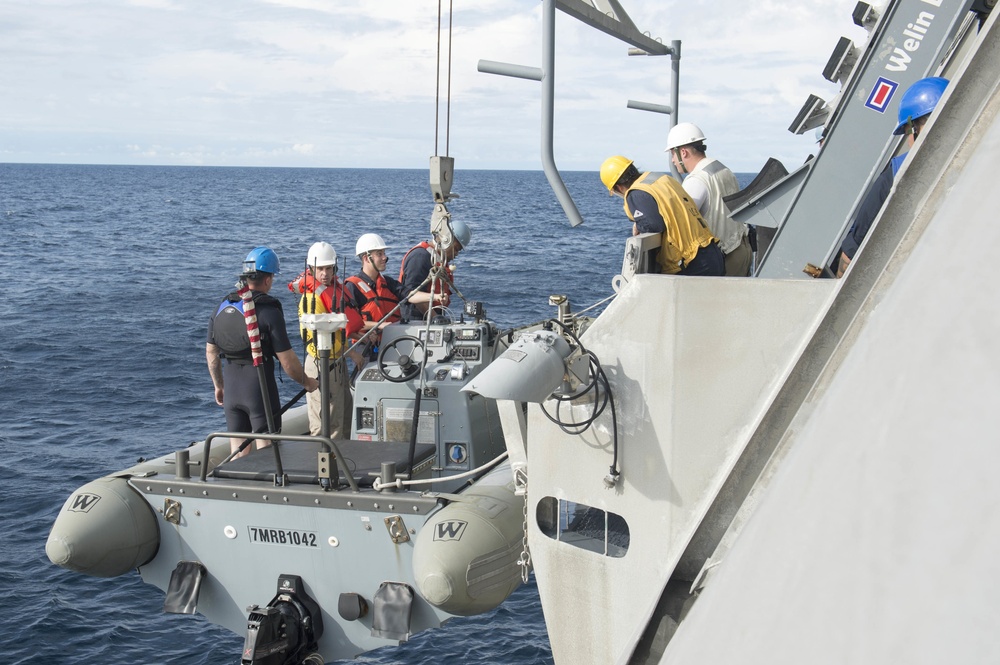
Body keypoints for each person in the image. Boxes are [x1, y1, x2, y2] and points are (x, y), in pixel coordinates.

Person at [206, 246, 318, 457]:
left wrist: (219, 386)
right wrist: (308, 383)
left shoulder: (222, 306)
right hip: (259, 391)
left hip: (231, 389)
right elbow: (288, 362)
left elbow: (211, 353)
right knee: (267, 450)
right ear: (268, 279)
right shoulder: (269, 311)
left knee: (238, 451)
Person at [835, 76, 948, 277]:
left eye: (907, 132)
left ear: (916, 128)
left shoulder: (896, 174)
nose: (908, 140)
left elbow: (851, 253)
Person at [599, 155, 725, 276]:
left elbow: (654, 225)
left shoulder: (636, 193)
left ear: (618, 187)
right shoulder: (662, 179)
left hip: (693, 261)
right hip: (710, 250)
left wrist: (639, 224)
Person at [287, 241, 364, 439]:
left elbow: (338, 330)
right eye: (320, 269)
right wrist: (353, 353)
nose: (325, 273)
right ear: (311, 269)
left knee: (343, 415)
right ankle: (324, 463)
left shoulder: (333, 292)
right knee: (325, 421)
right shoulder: (311, 299)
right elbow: (323, 336)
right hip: (321, 364)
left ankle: (343, 460)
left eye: (328, 268)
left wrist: (356, 337)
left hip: (337, 363)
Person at [666, 123, 752, 276]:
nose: (673, 160)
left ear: (683, 153)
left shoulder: (696, 180)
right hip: (742, 248)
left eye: (673, 154)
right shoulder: (722, 169)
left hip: (726, 256)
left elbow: (680, 220)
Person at [345, 233, 444, 356]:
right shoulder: (352, 287)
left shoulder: (388, 283)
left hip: (392, 344)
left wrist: (435, 296)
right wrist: (379, 326)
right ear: (366, 258)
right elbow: (348, 322)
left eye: (384, 253)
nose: (384, 258)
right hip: (366, 346)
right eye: (379, 254)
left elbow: (410, 295)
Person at [398, 219, 470, 320]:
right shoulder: (420, 257)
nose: (456, 254)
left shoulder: (437, 259)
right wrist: (436, 318)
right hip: (415, 321)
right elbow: (411, 294)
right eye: (456, 249)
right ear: (446, 240)